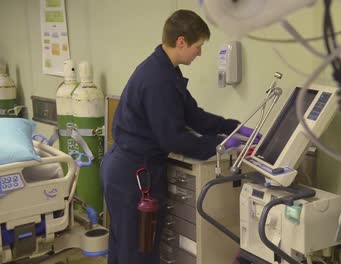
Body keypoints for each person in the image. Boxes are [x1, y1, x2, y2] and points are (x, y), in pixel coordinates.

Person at [100, 9, 259, 264]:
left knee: (126, 248)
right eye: (198, 46)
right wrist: (220, 145)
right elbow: (172, 139)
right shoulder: (158, 79)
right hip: (133, 174)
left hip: (126, 168)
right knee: (137, 252)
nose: (200, 53)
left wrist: (233, 127)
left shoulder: (165, 70)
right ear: (181, 41)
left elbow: (193, 115)